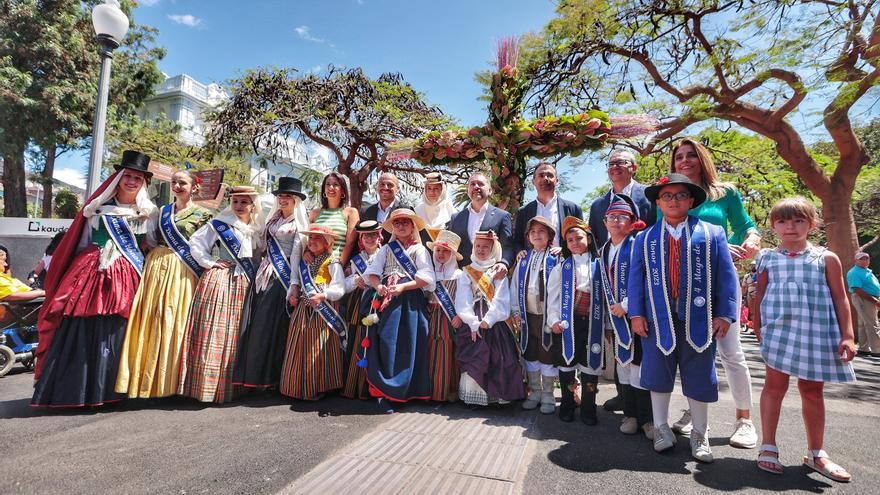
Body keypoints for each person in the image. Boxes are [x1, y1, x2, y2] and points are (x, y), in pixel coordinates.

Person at [32, 150, 157, 407]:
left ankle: (113, 389)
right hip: (92, 270)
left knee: (119, 325)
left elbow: (151, 245)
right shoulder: (97, 208)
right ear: (119, 177)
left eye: (138, 178)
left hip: (128, 272)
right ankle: (74, 389)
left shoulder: (149, 213)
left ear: (144, 182)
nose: (132, 181)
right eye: (128, 176)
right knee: (81, 323)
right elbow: (82, 242)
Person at [628, 173, 738, 463]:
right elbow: (635, 279)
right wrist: (636, 314)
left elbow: (726, 276)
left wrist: (725, 314)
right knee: (657, 374)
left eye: (680, 195)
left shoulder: (712, 233)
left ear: (691, 200)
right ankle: (662, 427)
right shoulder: (645, 238)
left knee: (699, 374)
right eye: (667, 196)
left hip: (699, 318)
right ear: (658, 202)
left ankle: (700, 432)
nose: (673, 200)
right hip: (656, 319)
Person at [754, 197, 856, 482]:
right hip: (778, 331)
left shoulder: (826, 258)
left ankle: (816, 453)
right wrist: (758, 324)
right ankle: (768, 446)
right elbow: (760, 295)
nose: (791, 227)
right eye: (783, 221)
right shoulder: (766, 258)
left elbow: (840, 297)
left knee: (812, 390)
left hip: (816, 331)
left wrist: (847, 335)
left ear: (811, 224)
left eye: (799, 220)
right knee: (774, 387)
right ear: (774, 226)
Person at [668, 138, 761, 449]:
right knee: (691, 351)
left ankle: (744, 419)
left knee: (731, 352)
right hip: (681, 283)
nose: (685, 161)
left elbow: (748, 225)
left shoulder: (726, 192)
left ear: (702, 158)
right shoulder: (671, 194)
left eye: (691, 155)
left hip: (721, 281)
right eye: (679, 156)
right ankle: (693, 412)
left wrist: (750, 239)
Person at [116, 169, 214, 398]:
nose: (178, 186)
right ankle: (144, 382)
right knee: (150, 318)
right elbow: (150, 239)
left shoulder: (205, 214)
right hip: (156, 266)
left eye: (183, 183)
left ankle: (171, 383)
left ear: (194, 188)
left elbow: (209, 247)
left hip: (183, 269)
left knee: (174, 319)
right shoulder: (162, 212)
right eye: (174, 182)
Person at [178, 186, 263, 404]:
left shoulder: (255, 229)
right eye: (235, 201)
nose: (239, 206)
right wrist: (210, 262)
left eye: (244, 202)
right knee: (214, 329)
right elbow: (195, 243)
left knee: (235, 333)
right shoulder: (219, 224)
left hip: (243, 283)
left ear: (253, 205)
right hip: (222, 280)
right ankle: (205, 388)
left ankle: (230, 388)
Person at [588, 149, 656, 413]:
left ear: (634, 167)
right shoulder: (597, 205)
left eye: (621, 162)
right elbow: (595, 243)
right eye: (611, 163)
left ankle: (646, 410)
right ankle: (623, 396)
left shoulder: (649, 197)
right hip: (609, 283)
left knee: (641, 348)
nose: (615, 166)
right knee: (617, 343)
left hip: (639, 285)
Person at [234, 177, 308, 389]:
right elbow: (261, 246)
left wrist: (294, 284)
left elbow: (296, 255)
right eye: (280, 196)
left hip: (281, 277)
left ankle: (269, 378)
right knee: (257, 323)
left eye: (288, 196)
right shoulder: (272, 219)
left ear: (296, 201)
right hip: (264, 273)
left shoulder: (298, 223)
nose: (283, 199)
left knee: (271, 325)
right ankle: (252, 376)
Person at [593, 196, 653, 438]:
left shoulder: (638, 243)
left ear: (631, 222)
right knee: (623, 367)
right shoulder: (604, 249)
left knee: (639, 367)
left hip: (636, 315)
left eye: (622, 217)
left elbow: (648, 278)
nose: (616, 221)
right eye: (612, 217)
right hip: (615, 319)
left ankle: (648, 420)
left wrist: (627, 305)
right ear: (604, 222)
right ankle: (630, 414)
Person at [363, 209, 434, 412]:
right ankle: (384, 392)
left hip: (410, 301)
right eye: (397, 223)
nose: (401, 226)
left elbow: (427, 278)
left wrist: (403, 286)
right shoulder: (386, 249)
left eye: (405, 222)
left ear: (413, 226)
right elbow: (373, 273)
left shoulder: (419, 250)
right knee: (386, 342)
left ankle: (408, 391)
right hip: (386, 301)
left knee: (409, 343)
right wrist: (378, 287)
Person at [454, 231, 526, 406]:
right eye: (478, 246)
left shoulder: (498, 271)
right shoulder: (466, 272)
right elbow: (463, 300)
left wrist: (489, 319)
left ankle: (498, 396)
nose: (481, 249)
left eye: (486, 246)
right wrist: (472, 322)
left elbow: (502, 298)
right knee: (474, 357)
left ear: (493, 249)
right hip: (472, 322)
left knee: (499, 358)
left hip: (494, 322)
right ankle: (475, 398)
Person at [545, 216, 605, 425]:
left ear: (588, 238)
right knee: (567, 366)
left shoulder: (600, 264)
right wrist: (553, 320)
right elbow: (552, 297)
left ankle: (589, 408)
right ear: (565, 244)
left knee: (590, 366)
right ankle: (568, 405)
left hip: (592, 321)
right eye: (570, 240)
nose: (574, 243)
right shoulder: (562, 267)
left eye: (578, 238)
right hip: (568, 323)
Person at [280, 225, 346, 400]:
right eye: (311, 238)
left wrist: (324, 295)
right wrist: (293, 294)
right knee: (299, 343)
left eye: (318, 238)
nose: (313, 241)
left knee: (319, 346)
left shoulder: (333, 261)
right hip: (305, 306)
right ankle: (295, 385)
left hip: (324, 307)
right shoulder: (305, 261)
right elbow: (297, 281)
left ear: (327, 243)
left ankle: (319, 386)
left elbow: (339, 287)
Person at [510, 216, 560, 415]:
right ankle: (535, 392)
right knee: (530, 353)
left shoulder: (556, 257)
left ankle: (548, 394)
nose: (537, 235)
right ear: (528, 237)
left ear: (549, 236)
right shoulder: (523, 259)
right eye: (533, 232)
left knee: (546, 353)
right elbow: (515, 287)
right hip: (527, 316)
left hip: (547, 316)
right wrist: (515, 311)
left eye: (541, 231)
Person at [341, 220, 383, 399]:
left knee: (376, 341)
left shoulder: (386, 255)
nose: (369, 238)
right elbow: (345, 285)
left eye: (373, 234)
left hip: (378, 303)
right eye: (366, 235)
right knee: (357, 340)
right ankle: (354, 387)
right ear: (360, 238)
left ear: (379, 236)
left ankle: (375, 387)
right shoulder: (355, 260)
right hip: (359, 303)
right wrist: (354, 281)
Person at [447, 172, 515, 271]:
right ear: (468, 190)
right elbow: (451, 248)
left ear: (490, 190)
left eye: (480, 184)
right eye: (472, 184)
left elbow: (507, 247)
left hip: (490, 277)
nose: (476, 187)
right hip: (462, 277)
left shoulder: (502, 216)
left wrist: (504, 263)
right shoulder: (456, 218)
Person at [425, 229, 463, 402]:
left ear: (453, 255)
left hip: (450, 319)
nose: (440, 254)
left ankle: (448, 391)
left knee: (448, 353)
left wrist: (460, 316)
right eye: (438, 250)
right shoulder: (429, 272)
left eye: (445, 251)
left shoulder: (459, 275)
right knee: (431, 351)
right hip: (432, 316)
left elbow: (464, 300)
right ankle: (431, 391)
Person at [513, 162, 584, 253]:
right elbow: (518, 241)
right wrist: (520, 252)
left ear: (557, 181)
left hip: (565, 263)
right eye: (541, 175)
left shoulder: (573, 209)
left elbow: (581, 238)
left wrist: (565, 250)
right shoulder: (524, 211)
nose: (545, 179)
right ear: (533, 181)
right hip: (532, 264)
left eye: (550, 175)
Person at [309, 172, 359, 264]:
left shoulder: (351, 212)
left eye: (335, 184)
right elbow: (306, 239)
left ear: (343, 190)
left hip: (335, 265)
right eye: (327, 184)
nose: (331, 187)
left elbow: (350, 243)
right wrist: (306, 252)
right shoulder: (314, 213)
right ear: (324, 190)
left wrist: (339, 265)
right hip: (314, 265)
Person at [361, 173, 411, 243]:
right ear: (377, 187)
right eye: (382, 184)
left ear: (397, 189)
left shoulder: (406, 211)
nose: (385, 187)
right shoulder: (365, 212)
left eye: (390, 185)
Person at [846, 252, 880, 356]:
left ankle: (864, 348)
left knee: (864, 323)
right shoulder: (855, 272)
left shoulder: (865, 271)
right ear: (856, 261)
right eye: (861, 259)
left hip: (867, 298)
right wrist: (875, 301)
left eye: (867, 258)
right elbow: (857, 289)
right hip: (864, 298)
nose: (865, 260)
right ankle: (877, 349)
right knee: (872, 323)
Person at [414, 172, 457, 241]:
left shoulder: (450, 211)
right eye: (429, 188)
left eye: (436, 188)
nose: (432, 192)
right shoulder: (417, 211)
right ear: (425, 190)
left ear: (442, 190)